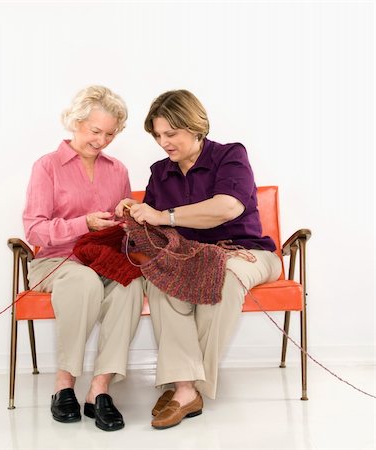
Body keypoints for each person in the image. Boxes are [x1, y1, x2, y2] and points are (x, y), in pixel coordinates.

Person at [116, 89, 282, 430]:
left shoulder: (230, 156)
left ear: (195, 127)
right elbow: (153, 228)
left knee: (222, 275)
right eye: (158, 135)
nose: (164, 142)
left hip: (246, 253)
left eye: (171, 133)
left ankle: (183, 387)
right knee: (163, 282)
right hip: (190, 257)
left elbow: (227, 208)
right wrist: (132, 211)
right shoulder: (160, 171)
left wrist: (165, 216)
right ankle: (185, 387)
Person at [23, 85, 143, 431]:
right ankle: (64, 383)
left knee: (129, 286)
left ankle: (99, 390)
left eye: (109, 133)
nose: (102, 140)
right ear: (76, 122)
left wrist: (127, 214)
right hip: (56, 262)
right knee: (83, 280)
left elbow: (122, 227)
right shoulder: (47, 167)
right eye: (95, 131)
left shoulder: (117, 170)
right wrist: (82, 223)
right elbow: (35, 231)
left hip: (103, 258)